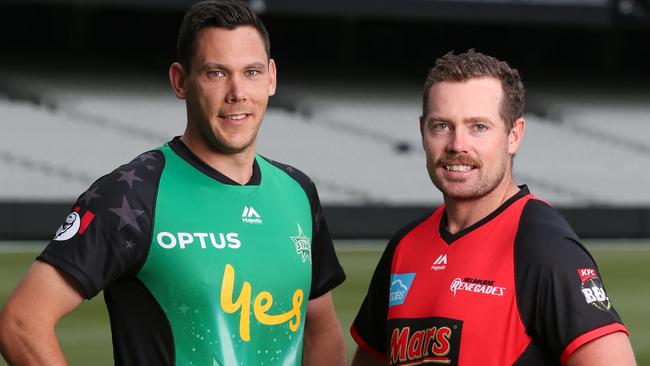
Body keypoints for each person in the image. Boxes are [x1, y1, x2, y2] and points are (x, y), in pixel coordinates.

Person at [0, 1, 347, 365]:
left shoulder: (298, 192)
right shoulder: (132, 195)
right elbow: (22, 322)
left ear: (272, 78)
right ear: (181, 81)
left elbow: (321, 330)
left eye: (252, 72)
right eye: (216, 73)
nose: (237, 92)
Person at [349, 50, 636, 365]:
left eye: (478, 127)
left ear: (514, 135)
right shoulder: (404, 246)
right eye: (441, 126)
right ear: (422, 132)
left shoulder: (544, 248)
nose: (457, 144)